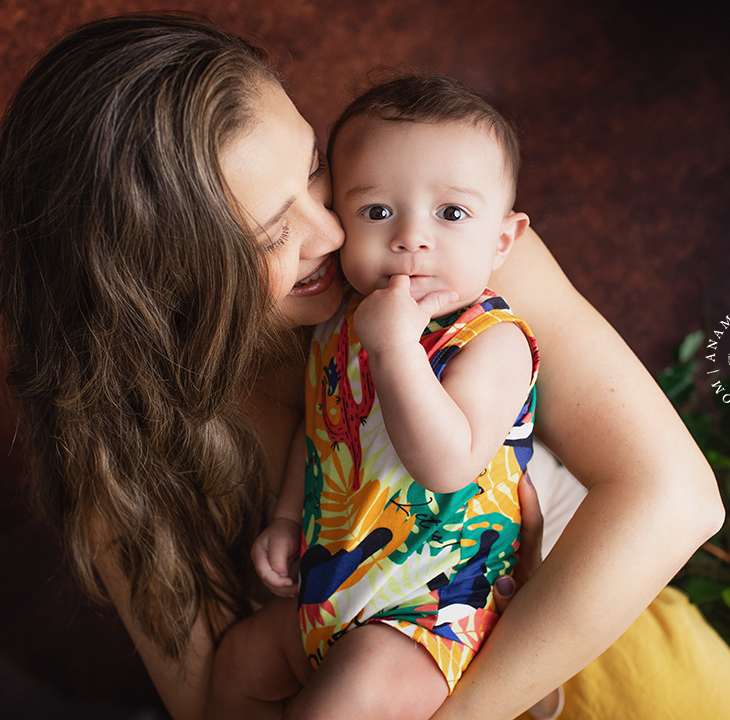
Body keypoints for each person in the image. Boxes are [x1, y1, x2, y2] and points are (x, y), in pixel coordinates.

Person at [0, 11, 730, 720]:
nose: (329, 230)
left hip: (601, 658)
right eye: (265, 237)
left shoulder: (456, 263)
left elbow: (675, 499)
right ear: (155, 283)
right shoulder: (125, 462)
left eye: (310, 171)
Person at [205, 74, 561, 720]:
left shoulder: (492, 339)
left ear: (502, 240)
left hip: (430, 613)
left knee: (335, 708)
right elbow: (323, 433)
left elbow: (449, 461)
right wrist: (287, 519)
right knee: (235, 665)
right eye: (377, 212)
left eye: (450, 214)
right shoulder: (340, 326)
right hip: (332, 591)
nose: (411, 238)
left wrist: (396, 349)